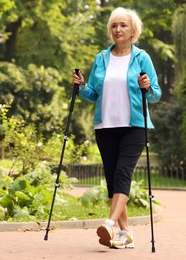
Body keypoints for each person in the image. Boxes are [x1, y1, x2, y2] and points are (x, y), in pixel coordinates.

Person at [72, 7, 162, 249]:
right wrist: (81, 87)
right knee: (112, 179)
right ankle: (125, 234)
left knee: (123, 173)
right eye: (114, 25)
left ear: (133, 31)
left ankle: (110, 223)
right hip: (105, 125)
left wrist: (147, 87)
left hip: (135, 125)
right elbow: (93, 94)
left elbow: (155, 95)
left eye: (123, 25)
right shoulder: (101, 58)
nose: (117, 29)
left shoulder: (142, 57)